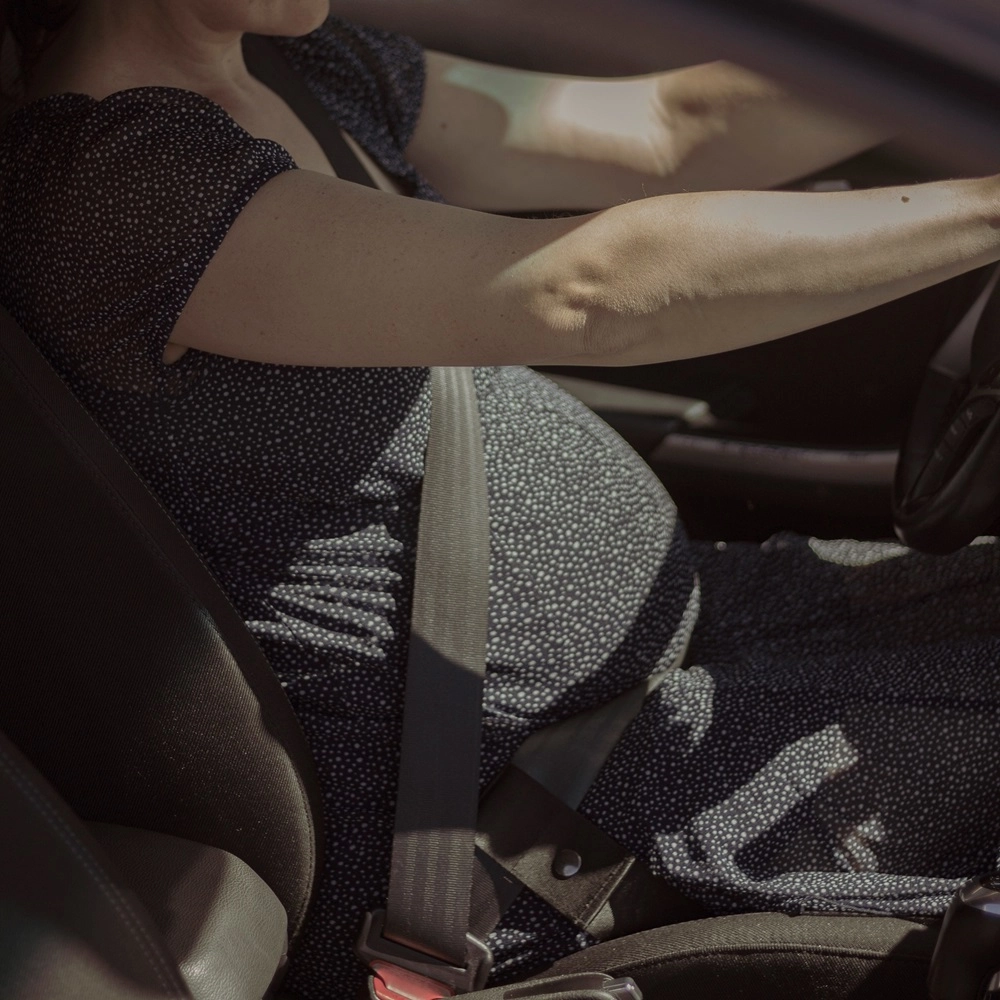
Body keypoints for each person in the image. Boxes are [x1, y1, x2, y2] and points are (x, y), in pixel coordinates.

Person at [2, 1, 1000, 996]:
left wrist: (960, 40)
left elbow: (670, 128)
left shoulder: (302, 61)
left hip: (677, 644)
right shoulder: (107, 180)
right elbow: (582, 292)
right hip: (516, 822)